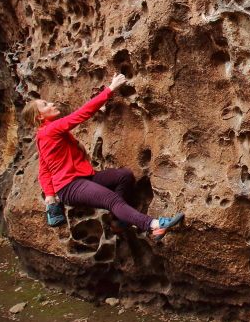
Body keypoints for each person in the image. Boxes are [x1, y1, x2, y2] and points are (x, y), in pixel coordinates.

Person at [21, 73, 183, 241]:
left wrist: (49, 195)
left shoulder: (44, 135)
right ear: (39, 116)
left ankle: (119, 220)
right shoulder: (49, 130)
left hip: (85, 178)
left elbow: (44, 168)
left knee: (124, 176)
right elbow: (80, 115)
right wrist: (110, 89)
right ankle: (154, 225)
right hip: (70, 186)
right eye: (46, 104)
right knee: (111, 200)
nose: (52, 104)